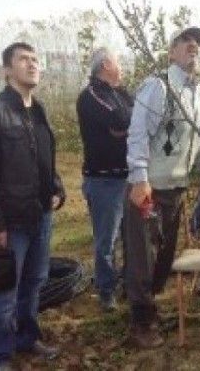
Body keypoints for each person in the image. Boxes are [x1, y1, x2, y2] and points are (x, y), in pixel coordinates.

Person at [123, 26, 200, 348]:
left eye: (198, 42)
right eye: (186, 42)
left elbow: (198, 143)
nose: (193, 46)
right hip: (150, 189)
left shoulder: (199, 95)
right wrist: (140, 179)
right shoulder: (158, 87)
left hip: (177, 188)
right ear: (171, 52)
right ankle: (141, 324)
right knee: (143, 259)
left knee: (164, 259)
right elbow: (138, 133)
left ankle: (150, 311)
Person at [0, 42, 65, 370]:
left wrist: (57, 189)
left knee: (35, 282)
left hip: (41, 215)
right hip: (11, 221)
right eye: (23, 59)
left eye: (35, 59)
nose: (32, 64)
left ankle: (27, 338)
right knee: (4, 292)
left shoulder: (39, 110)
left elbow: (46, 161)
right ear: (7, 70)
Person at [76, 47, 134, 312]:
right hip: (104, 181)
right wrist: (123, 126)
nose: (121, 67)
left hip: (129, 177)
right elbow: (118, 118)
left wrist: (124, 129)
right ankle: (106, 290)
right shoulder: (91, 95)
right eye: (118, 61)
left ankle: (127, 283)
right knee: (106, 240)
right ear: (106, 64)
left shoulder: (121, 93)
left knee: (131, 236)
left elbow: (137, 120)